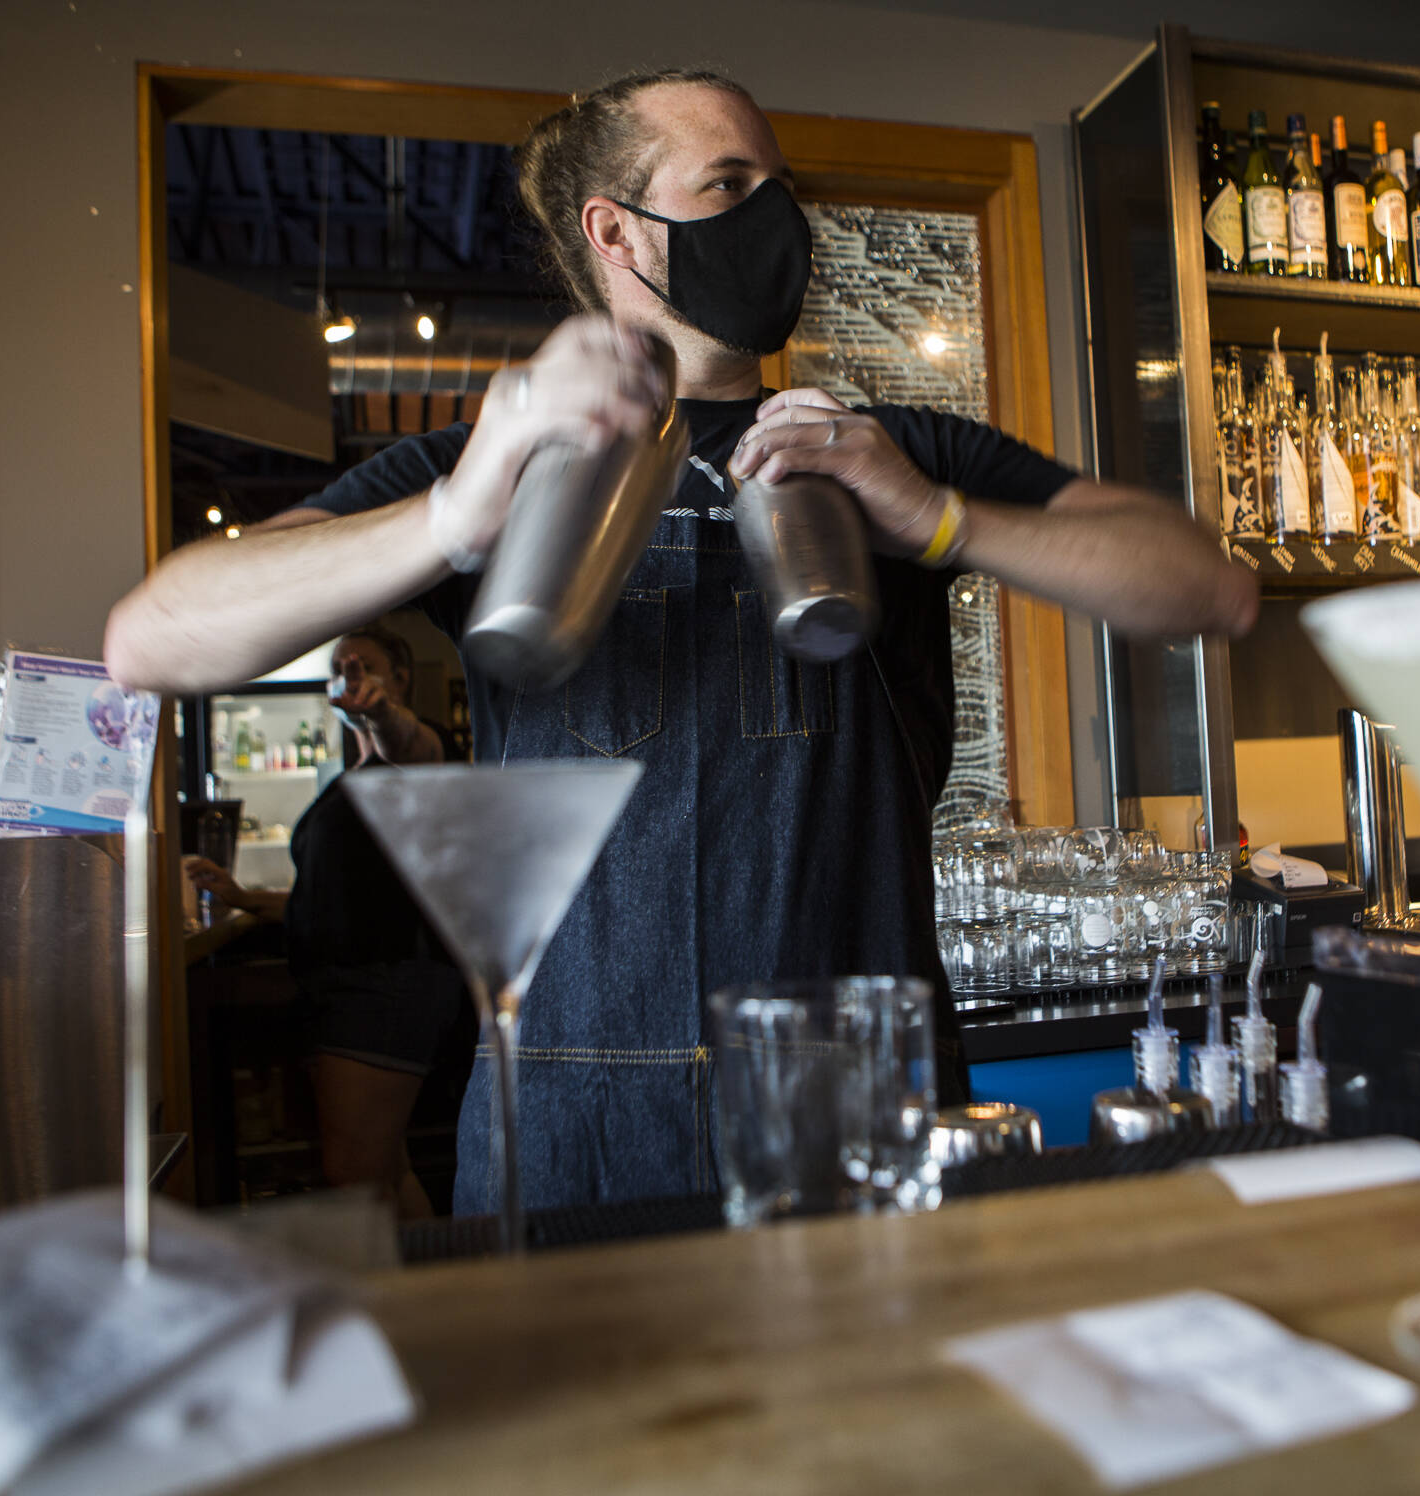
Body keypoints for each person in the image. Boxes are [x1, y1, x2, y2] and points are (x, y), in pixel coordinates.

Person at [105, 67, 1257, 1217]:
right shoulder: (489, 463)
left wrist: (939, 518)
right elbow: (153, 636)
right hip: (570, 1120)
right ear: (617, 231)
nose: (777, 218)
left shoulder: (886, 450)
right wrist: (452, 518)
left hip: (854, 1095)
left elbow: (1207, 586)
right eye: (728, 183)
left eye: (779, 186)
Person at [187, 627, 470, 1217]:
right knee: (385, 1170)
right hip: (345, 988)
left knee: (355, 1173)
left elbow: (408, 745)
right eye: (339, 668)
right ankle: (434, 1284)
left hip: (385, 985)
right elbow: (318, 899)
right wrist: (240, 895)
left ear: (400, 680)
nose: (349, 676)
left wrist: (381, 714)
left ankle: (414, 1301)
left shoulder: (415, 755)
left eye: (364, 667)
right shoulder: (345, 783)